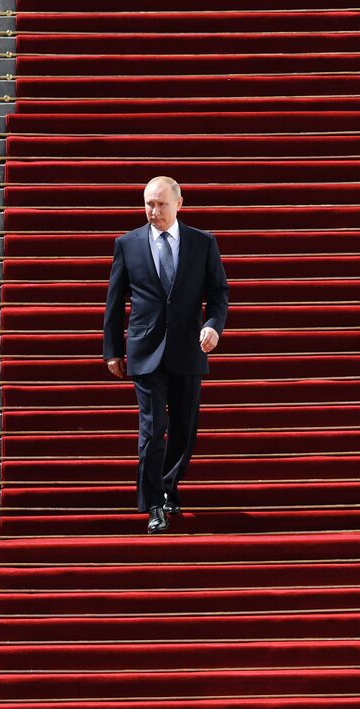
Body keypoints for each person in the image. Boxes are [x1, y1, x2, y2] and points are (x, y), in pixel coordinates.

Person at [102, 176, 229, 534]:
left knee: (184, 431)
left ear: (179, 204)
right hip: (145, 350)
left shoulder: (202, 243)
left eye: (160, 204)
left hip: (189, 348)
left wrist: (214, 326)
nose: (153, 211)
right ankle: (154, 503)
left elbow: (219, 293)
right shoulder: (128, 244)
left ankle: (169, 487)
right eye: (148, 204)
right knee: (153, 428)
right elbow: (115, 299)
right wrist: (112, 348)